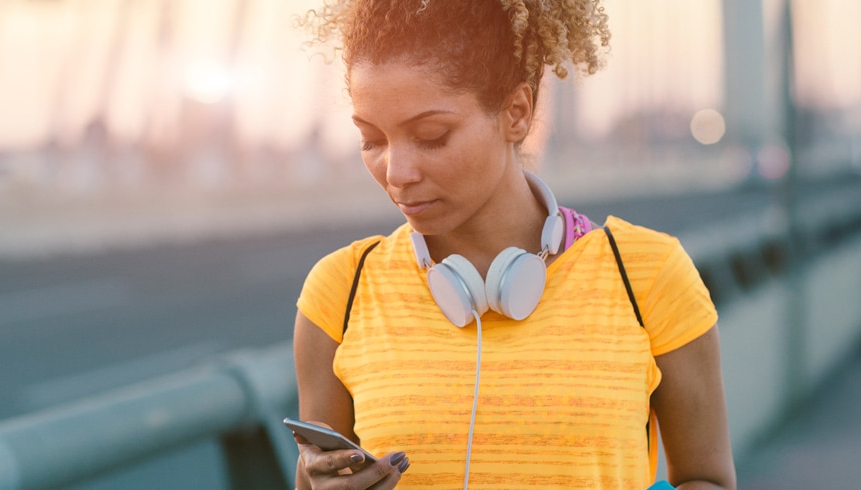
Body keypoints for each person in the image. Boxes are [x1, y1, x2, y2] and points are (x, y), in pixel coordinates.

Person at [290, 1, 736, 489]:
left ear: (516, 114)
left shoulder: (649, 274)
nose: (397, 174)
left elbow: (706, 478)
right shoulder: (340, 292)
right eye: (372, 140)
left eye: (431, 136)